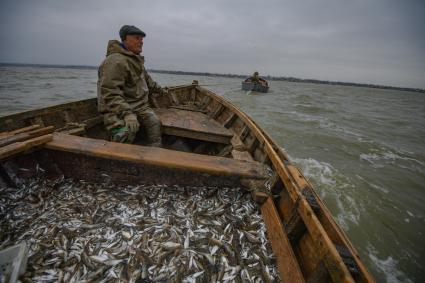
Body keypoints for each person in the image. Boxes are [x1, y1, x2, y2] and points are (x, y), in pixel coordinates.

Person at [97, 25, 168, 146]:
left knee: (155, 122)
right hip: (116, 110)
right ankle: (119, 159)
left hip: (139, 107)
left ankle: (155, 153)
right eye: (137, 38)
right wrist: (128, 114)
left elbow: (149, 82)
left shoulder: (136, 60)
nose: (141, 42)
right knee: (126, 131)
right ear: (124, 39)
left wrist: (161, 91)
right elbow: (110, 93)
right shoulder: (115, 61)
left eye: (142, 39)